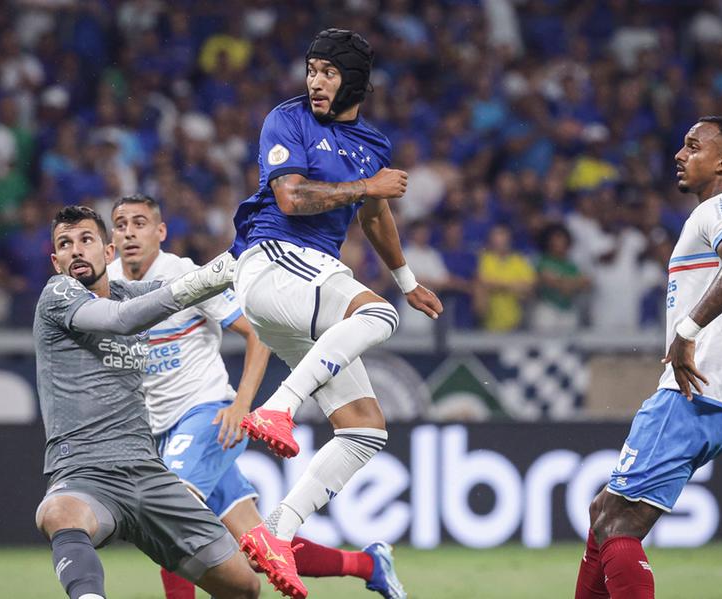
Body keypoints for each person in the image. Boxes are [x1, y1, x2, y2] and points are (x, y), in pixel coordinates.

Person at [108, 194, 405, 599]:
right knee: (256, 549)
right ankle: (368, 564)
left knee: (169, 515)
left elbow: (255, 334)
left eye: (139, 223)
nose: (129, 232)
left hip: (207, 417)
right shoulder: (108, 287)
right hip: (159, 429)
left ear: (160, 232)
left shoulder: (180, 276)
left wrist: (240, 404)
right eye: (121, 224)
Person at [229, 28, 438, 599]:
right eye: (311, 68)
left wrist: (407, 280)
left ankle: (276, 531)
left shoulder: (372, 142)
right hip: (275, 262)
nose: (314, 81)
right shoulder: (288, 119)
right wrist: (367, 185)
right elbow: (292, 198)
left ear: (355, 81)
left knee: (366, 431)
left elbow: (375, 218)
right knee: (379, 318)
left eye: (327, 71)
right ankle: (278, 409)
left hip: (305, 296)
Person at [575, 117, 722, 599]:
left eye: (693, 146)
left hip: (687, 397)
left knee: (615, 523)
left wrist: (686, 334)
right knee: (604, 514)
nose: (679, 154)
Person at [31, 205, 258, 599]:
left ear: (108, 252)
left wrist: (242, 258)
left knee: (243, 586)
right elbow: (123, 319)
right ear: (56, 261)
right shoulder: (59, 294)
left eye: (86, 240)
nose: (75, 251)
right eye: (64, 245)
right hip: (88, 473)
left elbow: (180, 290)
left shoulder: (126, 291)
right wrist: (204, 279)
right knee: (58, 513)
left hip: (150, 475)